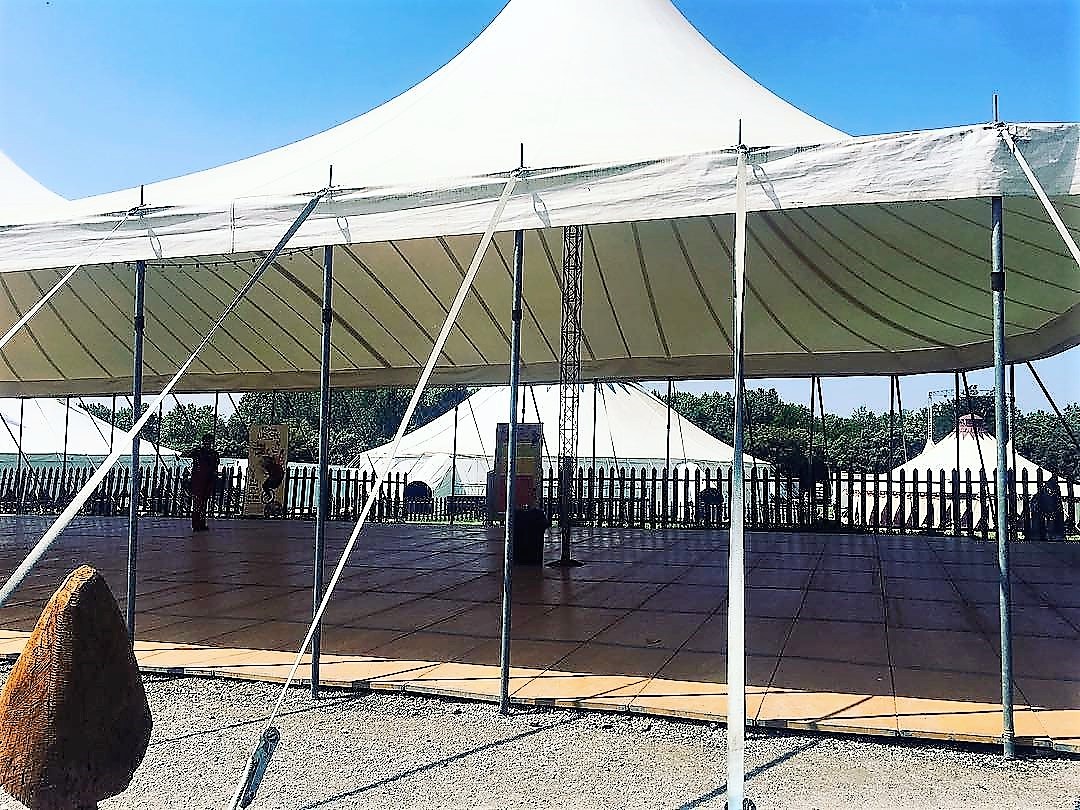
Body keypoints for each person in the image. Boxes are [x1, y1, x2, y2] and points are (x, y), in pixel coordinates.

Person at [183, 433, 220, 532]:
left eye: (210, 441)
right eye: (206, 441)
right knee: (197, 503)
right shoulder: (198, 451)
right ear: (203, 442)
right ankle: (196, 524)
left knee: (204, 503)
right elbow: (185, 454)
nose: (208, 443)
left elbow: (215, 468)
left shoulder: (214, 454)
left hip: (207, 481)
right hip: (198, 481)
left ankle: (202, 523)